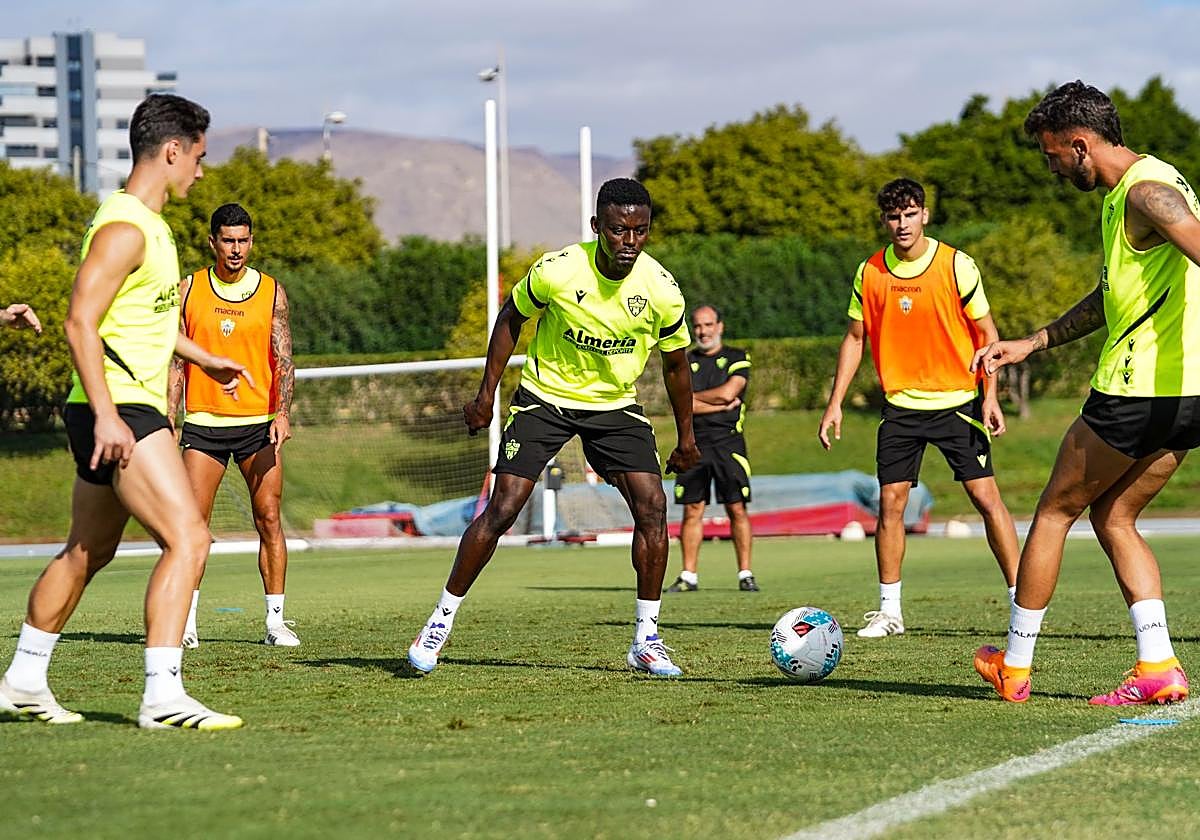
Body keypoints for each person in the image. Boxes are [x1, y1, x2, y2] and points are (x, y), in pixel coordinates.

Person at [0, 94, 251, 730]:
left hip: (110, 405)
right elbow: (79, 320)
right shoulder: (126, 228)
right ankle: (163, 697)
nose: (200, 170)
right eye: (198, 156)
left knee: (88, 549)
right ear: (173, 151)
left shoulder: (148, 226)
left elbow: (140, 319)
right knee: (189, 538)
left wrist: (205, 358)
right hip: (123, 408)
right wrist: (111, 417)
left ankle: (23, 681)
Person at [407, 177, 699, 677]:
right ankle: (439, 621)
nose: (629, 242)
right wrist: (486, 395)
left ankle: (646, 639)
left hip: (614, 406)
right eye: (617, 231)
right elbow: (509, 319)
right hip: (545, 397)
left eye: (640, 231)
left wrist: (687, 437)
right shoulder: (559, 270)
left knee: (653, 506)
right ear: (596, 227)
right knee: (502, 510)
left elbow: (675, 365)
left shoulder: (661, 290)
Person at [973, 81, 1196, 705]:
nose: (1050, 168)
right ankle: (1158, 666)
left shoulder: (1146, 192)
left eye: (1051, 156)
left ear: (1080, 144)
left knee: (1052, 511)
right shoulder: (1144, 187)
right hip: (1187, 399)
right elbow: (1111, 296)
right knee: (1115, 516)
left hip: (1135, 390)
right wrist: (1033, 341)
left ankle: (1013, 666)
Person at [819, 177, 1020, 638]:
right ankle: (890, 612)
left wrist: (989, 396)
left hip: (959, 402)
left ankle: (1019, 601)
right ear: (884, 221)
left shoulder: (956, 265)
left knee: (986, 499)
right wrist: (834, 405)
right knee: (891, 503)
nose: (902, 224)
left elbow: (989, 336)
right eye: (894, 216)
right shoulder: (869, 272)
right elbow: (854, 338)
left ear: (924, 214)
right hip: (900, 408)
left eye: (910, 214)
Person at [167, 203, 297, 649]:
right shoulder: (189, 288)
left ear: (251, 242)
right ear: (213, 242)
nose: (236, 249)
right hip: (203, 424)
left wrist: (282, 412)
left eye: (243, 240)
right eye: (228, 240)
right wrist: (168, 418)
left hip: (258, 423)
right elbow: (176, 360)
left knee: (269, 519)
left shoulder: (272, 291)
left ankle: (276, 622)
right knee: (192, 527)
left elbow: (283, 358)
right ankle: (186, 624)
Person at [666, 304, 757, 593]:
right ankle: (688, 576)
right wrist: (709, 402)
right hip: (693, 444)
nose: (702, 331)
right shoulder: (685, 361)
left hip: (729, 444)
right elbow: (682, 402)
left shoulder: (737, 357)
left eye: (708, 325)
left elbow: (730, 393)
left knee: (736, 508)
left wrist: (694, 400)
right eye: (697, 326)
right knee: (693, 509)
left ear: (720, 326)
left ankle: (745, 573)